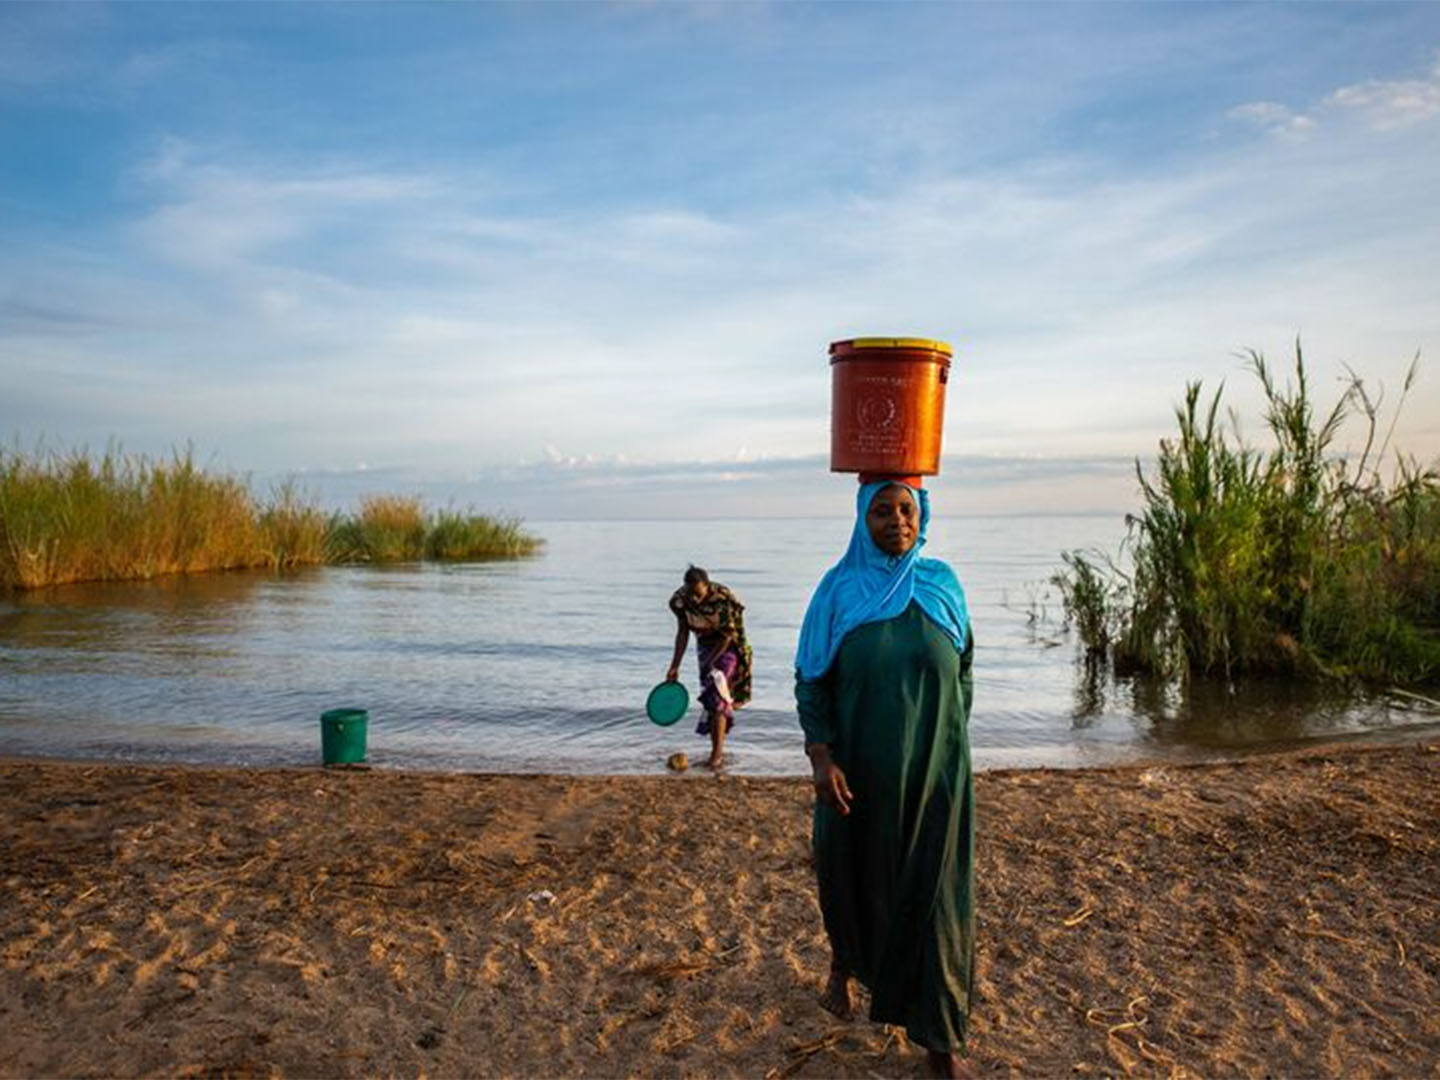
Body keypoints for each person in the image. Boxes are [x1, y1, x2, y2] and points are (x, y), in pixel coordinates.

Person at [794, 478, 975, 1079]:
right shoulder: (839, 589)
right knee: (855, 881)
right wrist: (822, 759)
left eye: (907, 509)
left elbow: (964, 672)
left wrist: (947, 743)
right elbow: (811, 679)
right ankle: (844, 965)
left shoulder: (944, 585)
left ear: (923, 514)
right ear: (860, 518)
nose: (896, 520)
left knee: (939, 900)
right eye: (881, 511)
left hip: (938, 776)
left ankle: (940, 1046)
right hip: (859, 776)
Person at [666, 565, 753, 769]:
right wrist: (674, 667)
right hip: (705, 647)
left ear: (707, 586)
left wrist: (711, 662)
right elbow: (683, 632)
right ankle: (716, 751)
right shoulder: (680, 601)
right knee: (713, 700)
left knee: (717, 693)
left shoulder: (722, 599)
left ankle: (716, 755)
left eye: (698, 594)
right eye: (690, 593)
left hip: (730, 648)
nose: (694, 599)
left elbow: (727, 635)